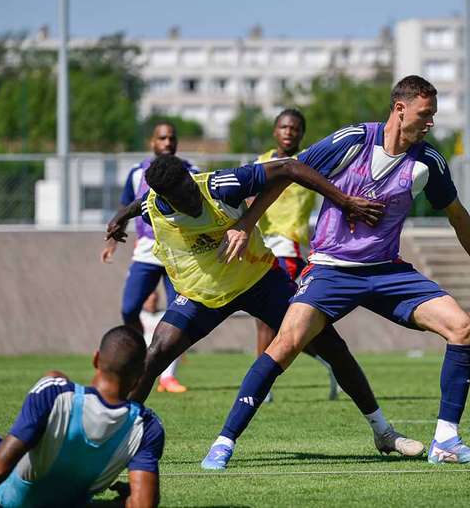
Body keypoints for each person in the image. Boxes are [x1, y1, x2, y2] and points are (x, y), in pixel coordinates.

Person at [204, 75, 470, 467]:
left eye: (433, 115)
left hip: (387, 272)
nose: (430, 123)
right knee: (284, 343)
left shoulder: (428, 161)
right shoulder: (353, 140)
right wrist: (246, 223)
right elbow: (290, 171)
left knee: (464, 328)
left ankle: (446, 442)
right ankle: (224, 442)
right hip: (330, 270)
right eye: (425, 114)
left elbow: (457, 215)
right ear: (400, 108)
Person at [104, 154, 424, 469]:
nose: (192, 197)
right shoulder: (153, 208)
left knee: (331, 345)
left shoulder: (221, 186)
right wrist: (121, 215)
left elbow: (290, 167)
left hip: (260, 281)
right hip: (205, 293)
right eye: (183, 197)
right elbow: (142, 202)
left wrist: (344, 201)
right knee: (157, 353)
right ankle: (118, 441)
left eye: (190, 188)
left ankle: (383, 431)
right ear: (167, 197)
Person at [0, 326, 164, 507]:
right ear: (141, 372)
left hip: (9, 495)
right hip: (71, 501)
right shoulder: (147, 426)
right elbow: (144, 503)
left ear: (95, 358)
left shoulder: (54, 392)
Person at [101, 122, 194, 393]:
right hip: (146, 250)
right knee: (129, 309)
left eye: (172, 138)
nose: (167, 142)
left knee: (178, 313)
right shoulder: (137, 172)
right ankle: (143, 359)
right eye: (162, 138)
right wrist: (112, 241)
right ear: (152, 142)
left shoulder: (190, 170)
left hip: (178, 251)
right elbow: (126, 206)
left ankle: (167, 377)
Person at [252, 108, 338, 401]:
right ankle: (331, 361)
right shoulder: (261, 163)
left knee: (271, 320)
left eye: (295, 128)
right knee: (275, 321)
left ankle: (261, 385)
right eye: (284, 127)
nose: (289, 132)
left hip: (288, 250)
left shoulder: (309, 162)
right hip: (261, 250)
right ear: (275, 131)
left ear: (301, 133)